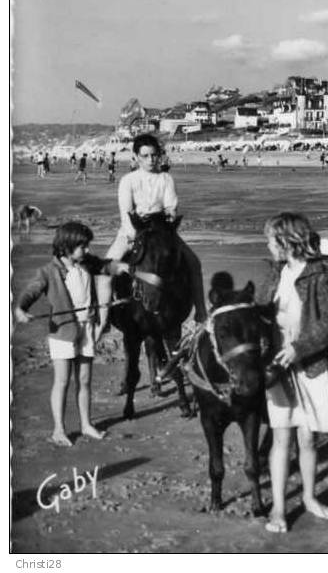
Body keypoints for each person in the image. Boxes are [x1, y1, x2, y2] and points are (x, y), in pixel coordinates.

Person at [259, 212, 328, 533]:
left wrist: (300, 347)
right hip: (278, 368)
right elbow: (259, 310)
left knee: (307, 440)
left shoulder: (321, 276)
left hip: (310, 366)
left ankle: (308, 497)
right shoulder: (273, 275)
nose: (267, 245)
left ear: (287, 241)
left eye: (270, 239)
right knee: (281, 438)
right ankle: (279, 509)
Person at [15, 222, 125, 446]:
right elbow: (32, 290)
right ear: (66, 246)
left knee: (84, 380)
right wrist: (20, 308)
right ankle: (58, 429)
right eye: (82, 246)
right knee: (62, 381)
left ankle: (86, 425)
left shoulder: (87, 263)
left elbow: (106, 266)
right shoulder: (49, 271)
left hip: (87, 329)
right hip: (63, 331)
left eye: (87, 246)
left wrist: (122, 267)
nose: (86, 250)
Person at [97, 134, 207, 334]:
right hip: (132, 232)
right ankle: (103, 317)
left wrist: (169, 220)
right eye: (145, 156)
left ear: (159, 156)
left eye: (154, 155)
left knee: (193, 263)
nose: (150, 160)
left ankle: (201, 311)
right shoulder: (128, 180)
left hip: (162, 231)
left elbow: (171, 206)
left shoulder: (166, 178)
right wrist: (135, 238)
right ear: (137, 157)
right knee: (107, 267)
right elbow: (126, 212)